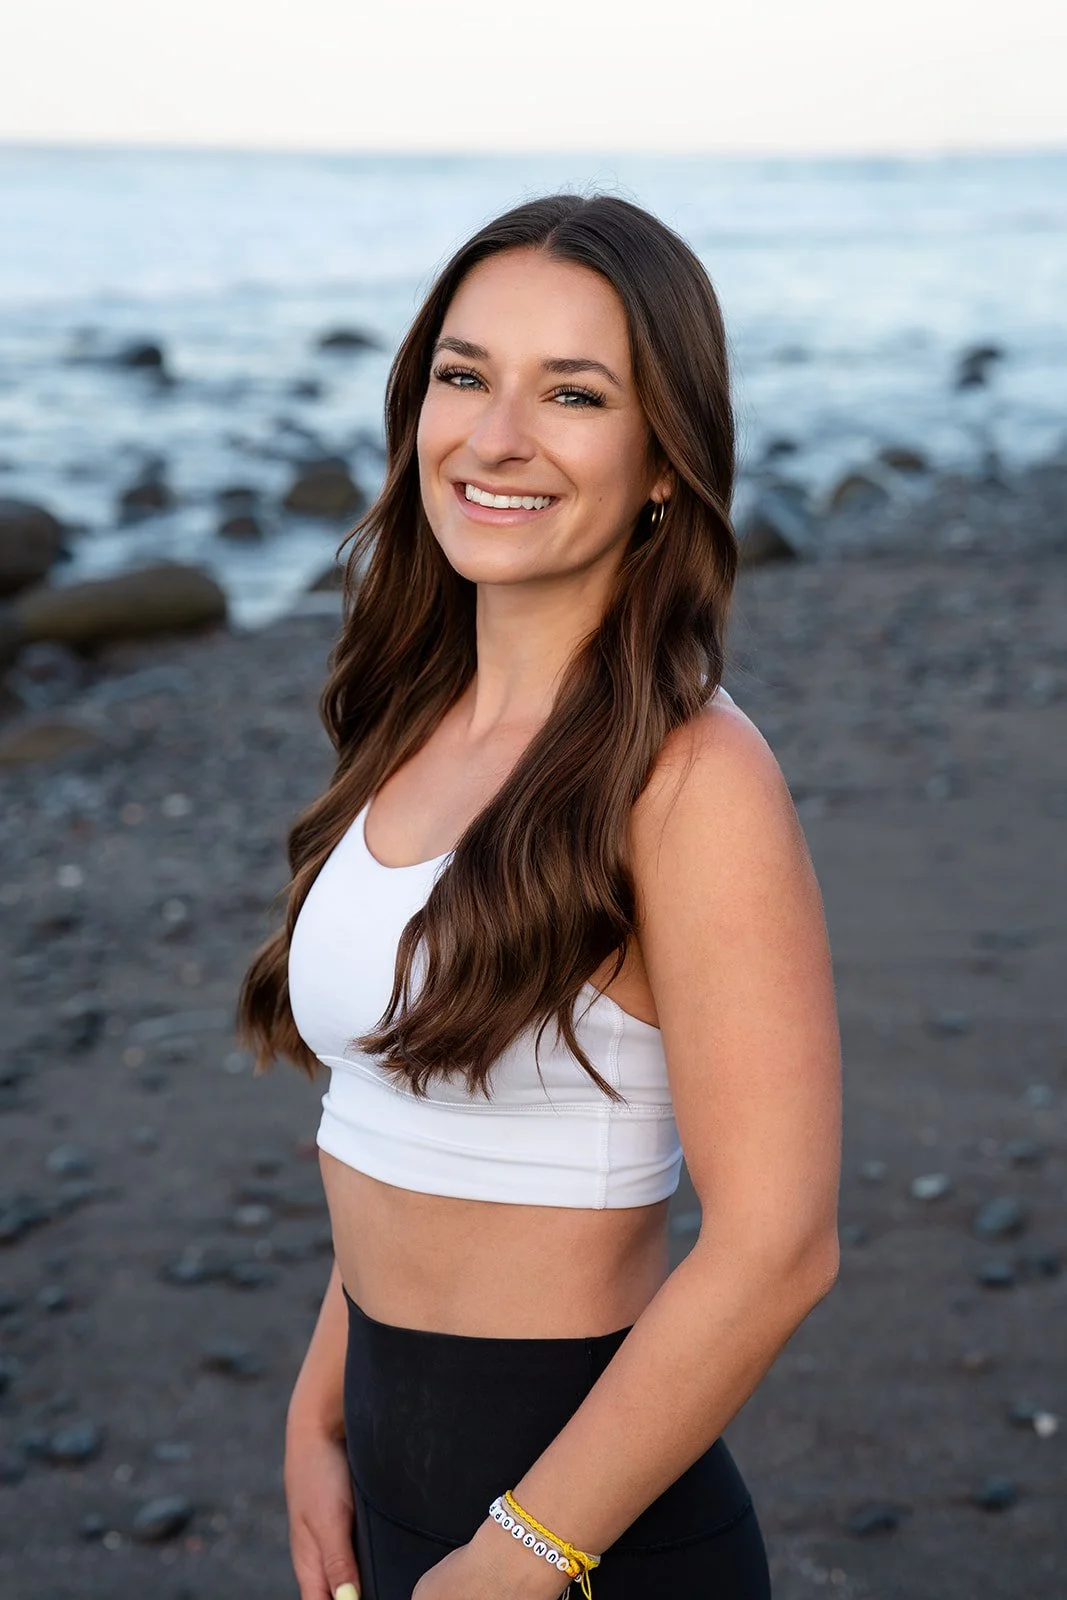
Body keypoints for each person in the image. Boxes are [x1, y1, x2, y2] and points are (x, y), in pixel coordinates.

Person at [238, 192, 842, 1600]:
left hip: (585, 1540)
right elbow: (389, 1118)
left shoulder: (690, 775)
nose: (495, 436)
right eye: (464, 375)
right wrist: (314, 1411)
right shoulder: (412, 718)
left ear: (658, 460)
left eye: (572, 394)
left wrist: (521, 1559)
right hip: (387, 1488)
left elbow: (777, 1248)